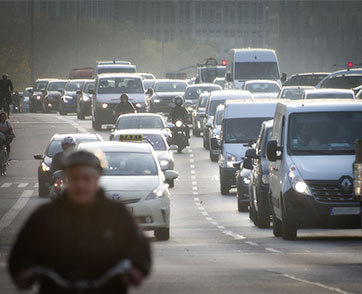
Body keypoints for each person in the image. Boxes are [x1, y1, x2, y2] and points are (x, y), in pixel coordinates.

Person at [8, 150, 151, 294]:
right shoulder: (45, 215)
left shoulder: (116, 213)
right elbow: (21, 251)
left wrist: (136, 268)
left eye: (86, 179)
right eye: (75, 178)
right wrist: (23, 272)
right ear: (67, 180)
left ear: (97, 180)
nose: (80, 185)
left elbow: (138, 247)